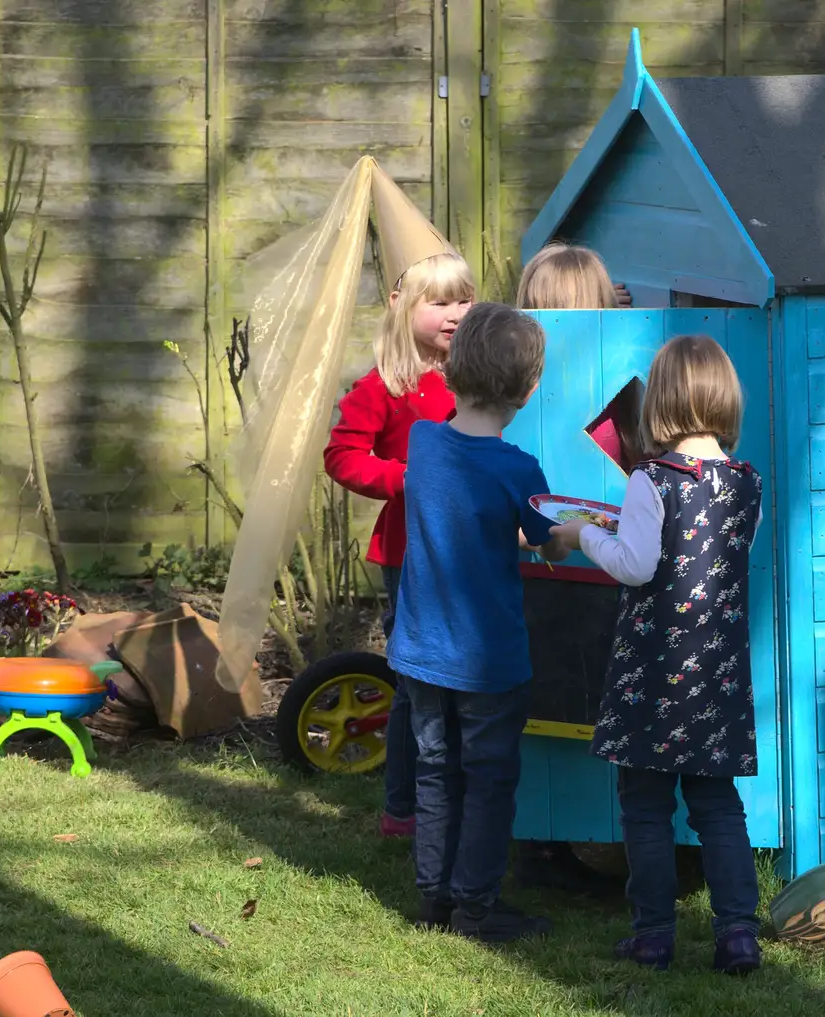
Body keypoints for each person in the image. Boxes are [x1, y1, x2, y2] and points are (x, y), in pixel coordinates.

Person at [550, 335, 765, 975]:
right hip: (718, 677)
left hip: (654, 675)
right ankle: (737, 935)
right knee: (718, 806)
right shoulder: (745, 482)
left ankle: (653, 934)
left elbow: (638, 566)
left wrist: (585, 532)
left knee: (645, 806)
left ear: (662, 403)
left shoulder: (651, 478)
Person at [388, 301, 571, 943]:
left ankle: (434, 896)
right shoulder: (518, 469)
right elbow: (547, 544)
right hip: (488, 659)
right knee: (489, 779)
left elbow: (461, 509)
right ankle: (476, 907)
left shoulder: (423, 441)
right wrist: (570, 531)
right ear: (529, 388)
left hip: (419, 650)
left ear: (453, 370)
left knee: (436, 769)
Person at [323, 252, 474, 839]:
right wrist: (405, 479)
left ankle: (453, 795)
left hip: (476, 550)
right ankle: (405, 811)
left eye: (464, 299)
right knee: (417, 680)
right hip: (411, 553)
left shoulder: (481, 374)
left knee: (466, 676)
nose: (455, 313)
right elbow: (342, 456)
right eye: (438, 302)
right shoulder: (386, 386)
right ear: (403, 308)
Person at [508, 241, 631, 898]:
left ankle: (543, 846)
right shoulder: (611, 400)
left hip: (547, 576)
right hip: (589, 576)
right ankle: (560, 846)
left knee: (549, 714)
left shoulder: (515, 390)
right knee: (578, 713)